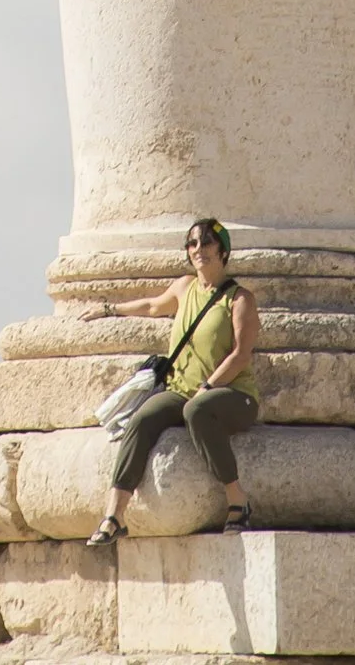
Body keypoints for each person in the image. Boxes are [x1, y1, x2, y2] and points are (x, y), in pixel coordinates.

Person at [87, 216, 262, 544]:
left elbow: (240, 355)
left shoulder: (240, 299)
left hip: (234, 395)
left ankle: (238, 500)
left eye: (207, 242)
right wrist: (109, 309)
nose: (199, 249)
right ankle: (114, 515)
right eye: (193, 243)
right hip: (182, 390)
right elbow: (153, 306)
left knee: (198, 410)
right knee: (143, 418)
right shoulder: (184, 287)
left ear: (223, 250)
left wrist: (208, 387)